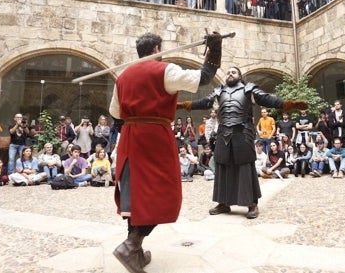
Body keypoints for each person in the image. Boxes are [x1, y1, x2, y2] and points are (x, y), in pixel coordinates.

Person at [108, 31, 222, 273]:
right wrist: (215, 50)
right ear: (157, 49)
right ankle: (131, 245)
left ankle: (135, 253)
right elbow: (204, 77)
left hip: (130, 137)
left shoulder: (122, 77)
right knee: (164, 194)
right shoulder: (165, 70)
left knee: (136, 197)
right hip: (155, 137)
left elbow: (116, 114)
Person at [179, 66, 306, 220]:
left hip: (243, 133)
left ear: (240, 76)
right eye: (228, 72)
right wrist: (185, 105)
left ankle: (252, 204)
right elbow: (204, 102)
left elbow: (267, 99)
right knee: (222, 167)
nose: (230, 74)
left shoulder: (248, 89)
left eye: (233, 72)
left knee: (245, 168)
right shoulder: (219, 91)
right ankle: (223, 202)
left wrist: (288, 104)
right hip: (224, 134)